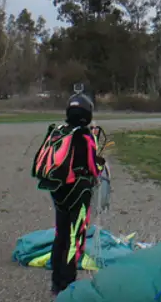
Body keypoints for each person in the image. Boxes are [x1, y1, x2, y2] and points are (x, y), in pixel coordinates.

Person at [31, 90, 105, 296]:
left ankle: (56, 283)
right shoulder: (84, 136)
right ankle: (68, 286)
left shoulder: (61, 131)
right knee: (75, 239)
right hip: (78, 193)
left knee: (60, 235)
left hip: (59, 192)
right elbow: (92, 166)